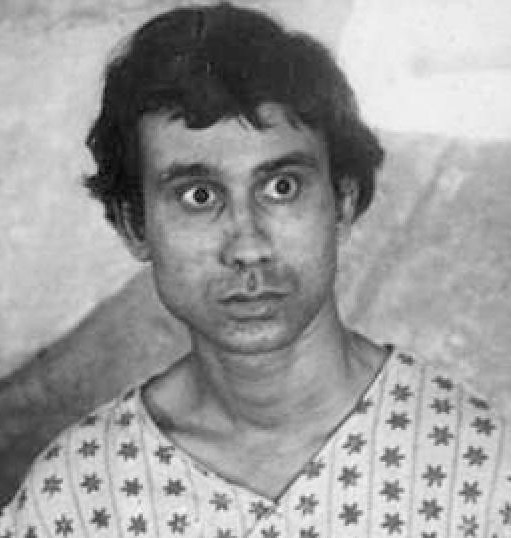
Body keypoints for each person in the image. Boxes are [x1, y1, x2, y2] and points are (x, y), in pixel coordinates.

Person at [1, 3, 510, 537]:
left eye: (281, 187)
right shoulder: (76, 500)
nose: (247, 246)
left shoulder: (475, 470)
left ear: (342, 203)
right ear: (135, 226)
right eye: (198, 196)